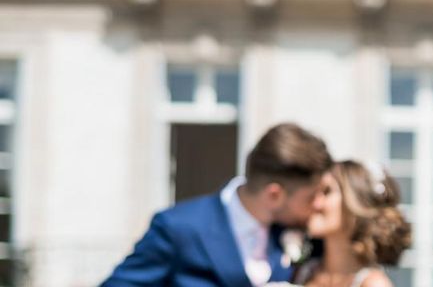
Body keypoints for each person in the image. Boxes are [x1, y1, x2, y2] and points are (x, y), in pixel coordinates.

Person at [101, 122, 333, 287]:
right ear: (274, 195)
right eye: (312, 196)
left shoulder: (310, 234)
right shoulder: (178, 227)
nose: (320, 204)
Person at [290, 160, 412, 287]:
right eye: (315, 192)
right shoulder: (302, 272)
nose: (315, 202)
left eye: (327, 191)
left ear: (353, 202)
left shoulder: (373, 284)